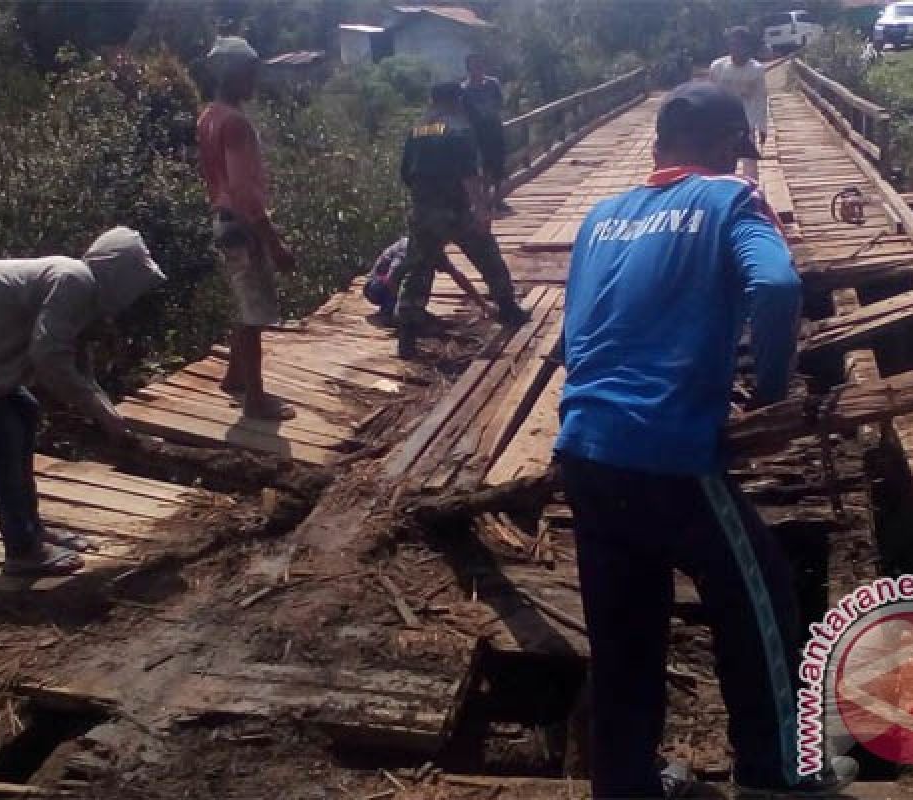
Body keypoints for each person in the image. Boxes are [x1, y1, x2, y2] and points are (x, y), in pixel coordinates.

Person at [554, 82, 858, 798]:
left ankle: (627, 782)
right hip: (670, 457)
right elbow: (778, 289)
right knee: (761, 596)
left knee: (624, 631)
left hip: (583, 450)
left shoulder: (600, 218)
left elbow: (572, 340)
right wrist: (775, 385)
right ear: (728, 149)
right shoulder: (730, 200)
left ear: (657, 147)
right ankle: (778, 770)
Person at [0, 227, 166, 577]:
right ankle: (22, 549)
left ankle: (31, 531)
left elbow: (81, 368)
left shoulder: (78, 288)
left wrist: (109, 417)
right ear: (120, 274)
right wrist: (103, 417)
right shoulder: (75, 281)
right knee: (2, 431)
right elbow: (48, 357)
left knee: (22, 411)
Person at [197, 36, 297, 420]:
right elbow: (243, 191)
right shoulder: (236, 122)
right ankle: (255, 399)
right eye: (250, 73)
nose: (255, 80)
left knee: (244, 300)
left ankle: (235, 377)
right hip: (241, 223)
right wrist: (274, 242)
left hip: (221, 220)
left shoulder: (209, 116)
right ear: (233, 73)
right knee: (256, 310)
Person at [395, 82, 529, 359]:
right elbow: (469, 174)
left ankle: (406, 334)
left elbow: (406, 174)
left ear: (432, 99)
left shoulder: (416, 130)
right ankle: (508, 308)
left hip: (424, 211)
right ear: (456, 100)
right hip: (455, 209)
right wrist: (481, 209)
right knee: (487, 255)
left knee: (418, 270)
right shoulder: (459, 130)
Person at [363, 236, 496, 325]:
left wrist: (483, 305)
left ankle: (410, 310)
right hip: (376, 287)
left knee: (425, 270)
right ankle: (393, 311)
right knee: (418, 273)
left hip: (393, 284)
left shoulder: (434, 252)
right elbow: (391, 279)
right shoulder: (407, 248)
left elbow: (457, 276)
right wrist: (399, 307)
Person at [710, 26, 768, 181]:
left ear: (748, 47)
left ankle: (752, 193)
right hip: (723, 122)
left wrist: (763, 127)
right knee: (723, 162)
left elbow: (761, 98)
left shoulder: (756, 70)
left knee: (749, 163)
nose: (736, 49)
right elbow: (711, 96)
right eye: (733, 45)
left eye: (740, 45)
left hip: (747, 122)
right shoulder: (717, 68)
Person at [461, 53, 511, 213]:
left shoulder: (492, 84)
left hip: (494, 129)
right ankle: (485, 201)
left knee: (498, 165)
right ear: (469, 68)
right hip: (477, 133)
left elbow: (500, 103)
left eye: (480, 65)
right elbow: (463, 112)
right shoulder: (464, 89)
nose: (478, 68)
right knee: (483, 168)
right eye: (475, 65)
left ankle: (498, 199)